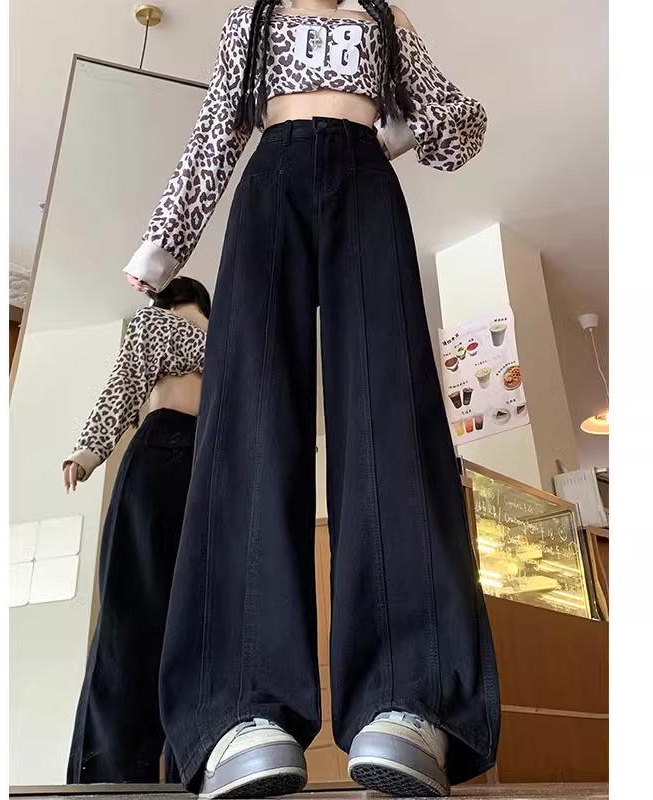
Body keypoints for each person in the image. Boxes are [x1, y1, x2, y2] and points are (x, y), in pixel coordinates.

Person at [124, 2, 500, 797]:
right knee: (251, 423)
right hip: (269, 187)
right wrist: (162, 245)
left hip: (368, 188)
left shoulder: (383, 17)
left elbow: (456, 128)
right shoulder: (250, 19)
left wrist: (397, 131)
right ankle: (241, 707)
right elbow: (216, 131)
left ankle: (409, 697)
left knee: (391, 416)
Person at [62, 277, 210, 785]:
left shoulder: (210, 334)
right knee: (147, 618)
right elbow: (126, 382)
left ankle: (129, 775)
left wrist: (88, 452)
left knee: (159, 619)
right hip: (179, 453)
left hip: (194, 457)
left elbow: (125, 383)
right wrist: (89, 450)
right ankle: (127, 775)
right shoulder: (173, 326)